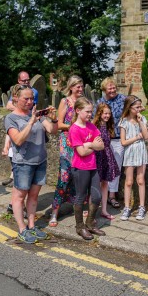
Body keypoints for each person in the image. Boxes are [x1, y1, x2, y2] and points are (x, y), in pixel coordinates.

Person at [4, 85, 58, 243]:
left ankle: (32, 226)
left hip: (40, 161)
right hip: (23, 163)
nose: (30, 102)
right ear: (16, 98)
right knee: (19, 197)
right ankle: (22, 229)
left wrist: (53, 118)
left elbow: (52, 130)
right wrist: (31, 122)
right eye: (25, 99)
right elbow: (19, 140)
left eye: (32, 99)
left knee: (34, 196)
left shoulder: (36, 114)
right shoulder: (11, 118)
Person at [69, 97, 107, 239]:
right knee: (80, 197)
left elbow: (101, 145)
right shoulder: (74, 129)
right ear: (78, 111)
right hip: (80, 168)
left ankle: (90, 223)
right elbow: (81, 152)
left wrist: (88, 144)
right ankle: (80, 226)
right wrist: (93, 145)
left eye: (91, 112)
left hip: (92, 167)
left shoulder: (92, 126)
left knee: (96, 196)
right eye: (87, 112)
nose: (90, 114)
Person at [49, 75, 84, 227]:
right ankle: (54, 213)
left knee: (80, 178)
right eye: (78, 86)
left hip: (81, 143)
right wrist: (74, 126)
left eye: (82, 86)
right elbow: (59, 124)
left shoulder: (83, 102)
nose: (81, 89)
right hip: (67, 142)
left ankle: (80, 210)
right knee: (64, 177)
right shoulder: (65, 101)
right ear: (71, 87)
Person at [94, 77, 126, 209]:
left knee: (115, 167)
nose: (113, 90)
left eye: (114, 87)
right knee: (101, 168)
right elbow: (95, 119)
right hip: (103, 140)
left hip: (118, 138)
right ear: (104, 89)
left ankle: (112, 196)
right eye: (110, 88)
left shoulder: (123, 99)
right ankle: (100, 196)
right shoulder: (100, 102)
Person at [119, 95, 148, 220]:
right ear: (129, 107)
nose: (139, 109)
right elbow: (123, 142)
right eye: (136, 107)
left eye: (140, 107)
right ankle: (127, 207)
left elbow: (146, 136)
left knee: (140, 180)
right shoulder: (124, 121)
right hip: (130, 152)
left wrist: (141, 121)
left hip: (141, 151)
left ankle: (141, 207)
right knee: (129, 181)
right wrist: (136, 137)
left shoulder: (142, 119)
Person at [92, 103, 120, 220]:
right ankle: (91, 209)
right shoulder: (94, 126)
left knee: (105, 184)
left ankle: (103, 210)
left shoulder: (109, 126)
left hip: (107, 157)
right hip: (97, 157)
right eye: (105, 113)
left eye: (109, 113)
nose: (107, 115)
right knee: (94, 185)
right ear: (99, 113)